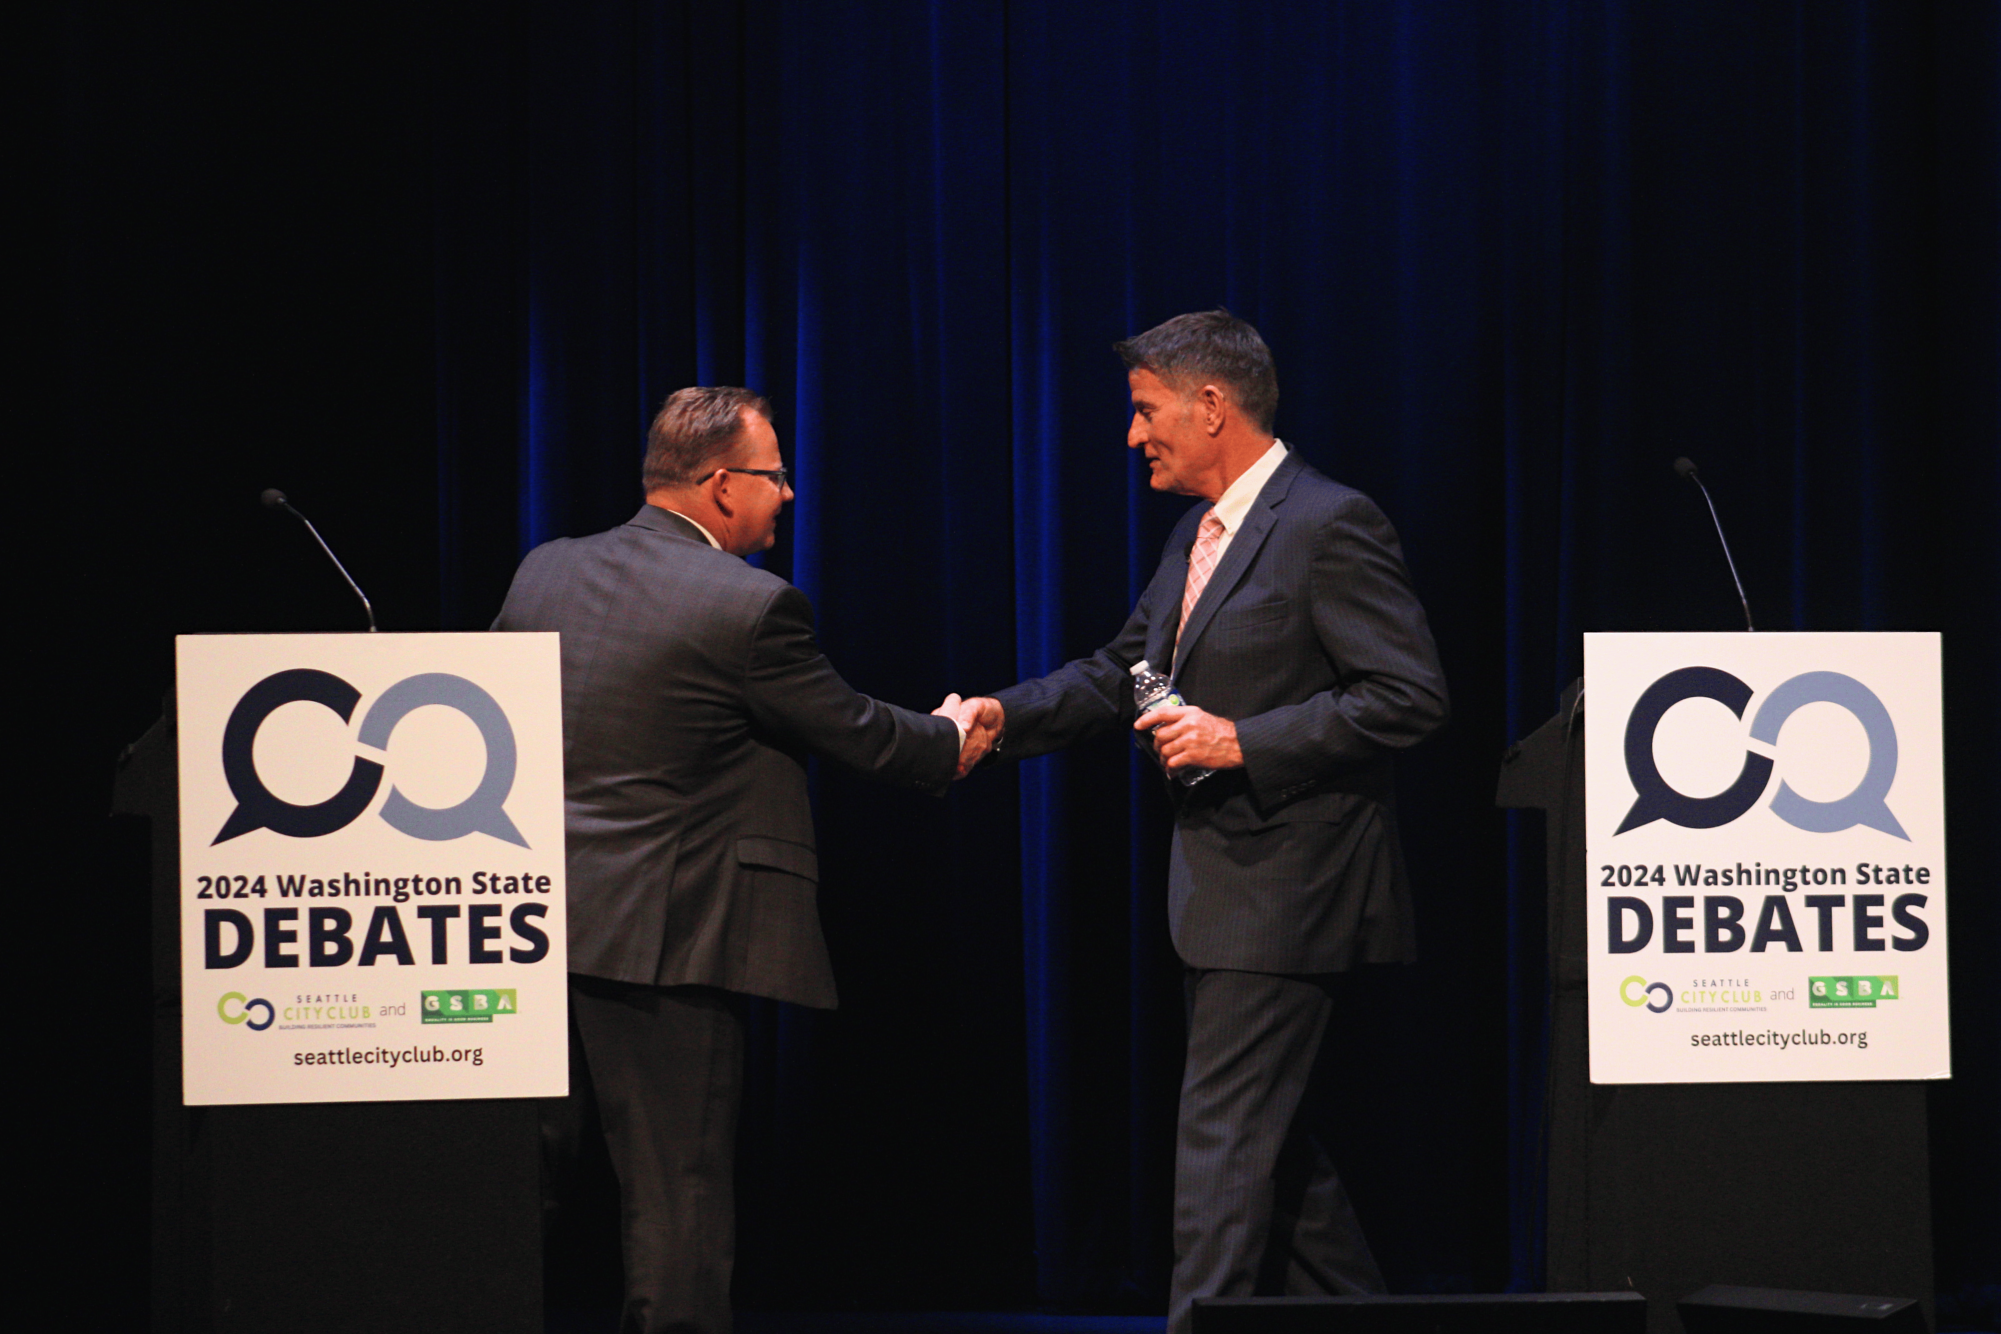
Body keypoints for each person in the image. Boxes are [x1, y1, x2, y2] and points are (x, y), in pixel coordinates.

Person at [955, 310, 1447, 1334]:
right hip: (1226, 889)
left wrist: (1244, 740)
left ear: (1212, 406)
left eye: (1146, 411)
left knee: (1223, 1145)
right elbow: (1122, 669)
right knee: (1273, 1149)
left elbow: (1409, 695)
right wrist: (1006, 716)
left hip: (1294, 886)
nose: (1133, 436)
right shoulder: (1200, 529)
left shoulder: (1328, 521)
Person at [493, 386, 988, 1334]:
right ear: (721, 486)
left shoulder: (543, 571)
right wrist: (946, 735)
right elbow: (858, 734)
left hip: (528, 928)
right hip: (668, 941)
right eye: (775, 476)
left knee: (521, 1186)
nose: (789, 496)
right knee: (676, 1196)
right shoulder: (750, 606)